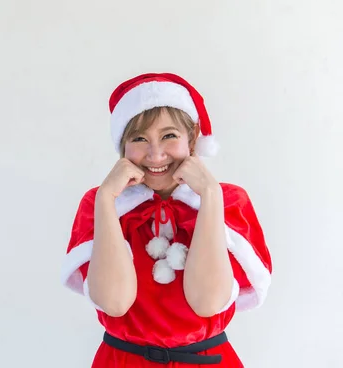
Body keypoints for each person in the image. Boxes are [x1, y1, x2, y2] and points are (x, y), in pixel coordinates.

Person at [60, 72, 272, 367]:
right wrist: (107, 200)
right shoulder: (103, 202)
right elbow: (114, 303)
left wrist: (209, 195)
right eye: (139, 138)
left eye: (169, 136)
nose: (156, 154)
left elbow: (207, 303)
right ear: (122, 146)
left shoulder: (228, 200)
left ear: (193, 138)